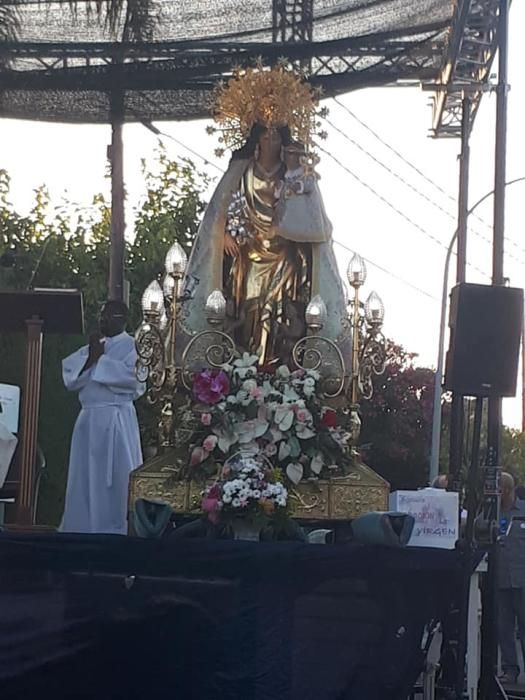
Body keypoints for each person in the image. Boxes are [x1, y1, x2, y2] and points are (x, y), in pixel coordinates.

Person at [176, 64, 350, 369]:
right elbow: (217, 214)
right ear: (255, 139)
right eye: (265, 135)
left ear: (284, 139)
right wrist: (224, 236)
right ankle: (248, 364)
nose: (270, 141)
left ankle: (279, 365)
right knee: (249, 311)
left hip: (286, 256)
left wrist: (297, 175)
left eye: (275, 135)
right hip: (247, 255)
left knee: (282, 314)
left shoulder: (294, 175)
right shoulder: (240, 172)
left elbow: (315, 224)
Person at [61, 300, 145, 535]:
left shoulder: (133, 346)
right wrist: (92, 357)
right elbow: (72, 378)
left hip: (116, 419)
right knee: (84, 478)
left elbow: (136, 380)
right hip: (88, 419)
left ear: (122, 318)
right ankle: (81, 527)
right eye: (100, 315)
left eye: (107, 315)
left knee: (116, 478)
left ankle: (115, 529)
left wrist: (100, 361)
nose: (102, 319)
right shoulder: (95, 346)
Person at [497, 471, 525, 685]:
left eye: (499, 490)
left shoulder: (523, 511)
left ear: (507, 489)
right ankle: (510, 670)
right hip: (500, 580)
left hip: (522, 579)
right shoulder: (491, 512)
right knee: (504, 628)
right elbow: (477, 528)